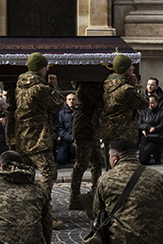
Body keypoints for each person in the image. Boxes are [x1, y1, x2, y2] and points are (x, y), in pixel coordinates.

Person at [13, 52, 65, 199]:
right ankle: (42, 210)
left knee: (26, 175)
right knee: (49, 173)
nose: (47, 70)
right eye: (44, 67)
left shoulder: (20, 85)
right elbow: (57, 105)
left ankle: (26, 207)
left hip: (22, 137)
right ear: (39, 68)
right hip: (38, 138)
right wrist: (54, 88)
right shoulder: (40, 88)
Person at [68, 81, 104, 210]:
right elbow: (101, 101)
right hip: (85, 127)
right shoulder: (87, 83)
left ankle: (96, 193)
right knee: (81, 163)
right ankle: (74, 197)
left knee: (98, 161)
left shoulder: (93, 82)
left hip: (92, 127)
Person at [100, 55, 148, 150]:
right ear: (124, 69)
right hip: (124, 132)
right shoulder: (127, 89)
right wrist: (136, 87)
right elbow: (144, 103)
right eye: (131, 65)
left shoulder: (106, 84)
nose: (133, 68)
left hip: (108, 131)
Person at [137, 94, 163, 165]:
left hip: (156, 137)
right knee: (143, 161)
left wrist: (155, 129)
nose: (150, 105)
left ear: (157, 102)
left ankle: (157, 155)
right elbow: (139, 124)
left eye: (152, 103)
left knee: (148, 149)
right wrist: (146, 128)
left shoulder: (162, 112)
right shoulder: (143, 112)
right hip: (146, 136)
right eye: (149, 103)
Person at [55, 93, 77, 165]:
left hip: (79, 140)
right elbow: (60, 128)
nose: (71, 101)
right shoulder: (61, 113)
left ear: (76, 101)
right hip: (66, 140)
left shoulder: (80, 112)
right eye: (69, 99)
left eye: (73, 99)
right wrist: (71, 138)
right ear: (66, 101)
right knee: (60, 160)